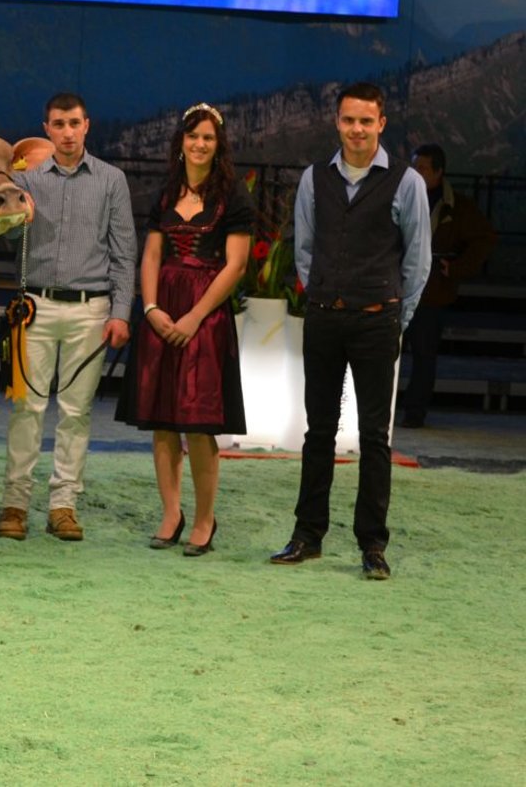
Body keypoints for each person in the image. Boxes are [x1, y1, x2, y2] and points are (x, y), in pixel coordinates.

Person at [270, 82, 430, 580]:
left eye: (365, 121)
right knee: (318, 432)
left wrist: (396, 319)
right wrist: (322, 294)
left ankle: (373, 545)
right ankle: (307, 535)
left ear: (381, 123)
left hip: (377, 321)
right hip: (325, 319)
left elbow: (418, 262)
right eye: (348, 120)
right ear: (336, 122)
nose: (356, 129)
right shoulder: (314, 178)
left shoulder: (407, 182)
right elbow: (304, 251)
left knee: (374, 437)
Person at [0, 92, 136, 542]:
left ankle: (63, 506)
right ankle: (15, 503)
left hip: (90, 310)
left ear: (87, 125)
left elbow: (124, 254)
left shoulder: (111, 180)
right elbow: (3, 241)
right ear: (47, 129)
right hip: (34, 306)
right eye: (58, 124)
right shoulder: (26, 180)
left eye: (74, 123)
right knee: (26, 408)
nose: (68, 132)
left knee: (76, 412)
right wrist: (12, 218)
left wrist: (121, 312)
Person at [115, 103, 252, 556]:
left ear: (219, 144)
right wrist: (151, 308)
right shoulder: (166, 193)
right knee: (162, 422)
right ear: (181, 142)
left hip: (205, 317)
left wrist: (195, 316)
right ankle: (170, 514)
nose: (199, 144)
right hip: (164, 310)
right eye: (193, 136)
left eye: (208, 137)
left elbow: (236, 265)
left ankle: (204, 520)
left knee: (198, 423)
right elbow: (152, 255)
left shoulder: (233, 196)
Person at [398, 143, 497, 428]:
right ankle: (379, 411)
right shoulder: (403, 197)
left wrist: (456, 268)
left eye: (422, 168)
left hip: (432, 292)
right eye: (414, 167)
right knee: (383, 353)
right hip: (398, 287)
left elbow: (485, 238)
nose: (416, 172)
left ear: (438, 172)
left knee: (424, 356)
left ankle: (414, 413)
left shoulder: (457, 206)